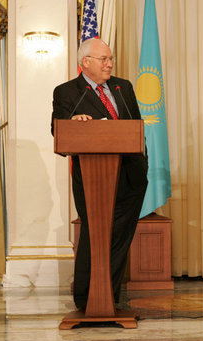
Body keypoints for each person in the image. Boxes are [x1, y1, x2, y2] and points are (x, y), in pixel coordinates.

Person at [51, 38, 148, 311]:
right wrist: (73, 124)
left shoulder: (122, 86)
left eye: (110, 58)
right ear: (85, 63)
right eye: (103, 59)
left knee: (119, 238)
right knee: (96, 235)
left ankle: (109, 296)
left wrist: (145, 163)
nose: (110, 63)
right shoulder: (68, 92)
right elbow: (57, 130)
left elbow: (136, 129)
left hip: (131, 176)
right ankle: (86, 298)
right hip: (94, 180)